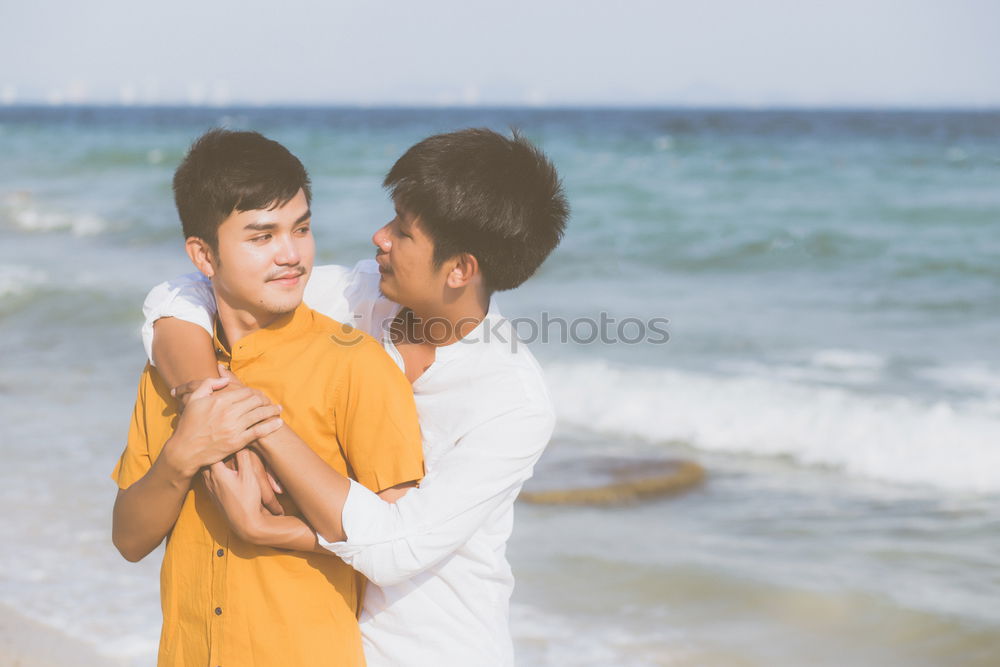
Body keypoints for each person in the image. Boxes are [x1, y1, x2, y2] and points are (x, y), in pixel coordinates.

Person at [144, 127, 569, 665]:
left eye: (404, 231)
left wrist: (258, 437)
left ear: (460, 269)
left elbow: (398, 548)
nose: (379, 236)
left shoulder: (512, 403)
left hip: (434, 649)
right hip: (325, 640)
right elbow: (185, 295)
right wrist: (208, 399)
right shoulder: (359, 298)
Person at [111, 129, 425, 667]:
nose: (291, 255)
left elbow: (398, 544)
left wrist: (265, 526)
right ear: (203, 256)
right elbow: (129, 540)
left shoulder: (356, 366)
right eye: (262, 237)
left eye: (301, 229)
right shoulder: (169, 369)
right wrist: (184, 454)